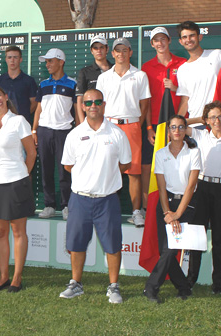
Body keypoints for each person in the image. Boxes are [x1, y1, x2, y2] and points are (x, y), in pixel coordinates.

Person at [59, 89, 132, 302]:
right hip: (80, 198)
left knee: (112, 245)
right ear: (82, 106)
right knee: (76, 244)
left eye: (97, 102)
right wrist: (87, 176)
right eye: (89, 102)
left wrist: (105, 176)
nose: (93, 105)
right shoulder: (74, 134)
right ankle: (76, 283)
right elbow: (68, 165)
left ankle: (114, 286)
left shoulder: (117, 133)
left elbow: (125, 163)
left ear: (104, 104)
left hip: (107, 199)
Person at [0, 86, 36, 293]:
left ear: (6, 97)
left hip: (16, 182)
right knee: (1, 231)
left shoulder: (19, 121)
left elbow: (31, 153)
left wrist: (23, 175)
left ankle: (16, 278)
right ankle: (3, 277)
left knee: (18, 231)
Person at [184, 101, 221, 293]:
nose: (216, 120)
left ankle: (218, 283)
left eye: (220, 116)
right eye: (212, 117)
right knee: (197, 236)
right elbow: (177, 124)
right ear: (207, 120)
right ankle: (191, 279)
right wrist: (199, 119)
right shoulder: (200, 134)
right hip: (202, 188)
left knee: (218, 238)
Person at [143, 114, 201, 303]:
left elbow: (190, 187)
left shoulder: (194, 153)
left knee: (170, 249)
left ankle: (151, 288)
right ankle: (183, 287)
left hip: (187, 204)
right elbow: (161, 186)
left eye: (181, 127)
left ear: (186, 130)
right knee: (165, 250)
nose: (177, 131)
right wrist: (169, 213)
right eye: (173, 127)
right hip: (166, 203)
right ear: (168, 131)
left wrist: (178, 214)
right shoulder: (160, 154)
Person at [96, 37, 151, 227]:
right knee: (107, 169)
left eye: (124, 50)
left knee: (134, 171)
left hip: (132, 126)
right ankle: (106, 210)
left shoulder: (140, 75)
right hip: (109, 126)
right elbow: (99, 105)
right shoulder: (104, 78)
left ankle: (136, 212)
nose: (121, 54)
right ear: (112, 53)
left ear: (130, 52)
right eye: (117, 50)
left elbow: (145, 104)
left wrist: (137, 124)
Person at [140, 27, 187, 224]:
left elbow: (189, 93)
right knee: (148, 166)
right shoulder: (146, 67)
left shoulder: (183, 64)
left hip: (177, 125)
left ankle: (178, 205)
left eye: (163, 39)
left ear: (169, 41)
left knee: (178, 165)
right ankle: (146, 207)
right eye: (156, 40)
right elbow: (146, 100)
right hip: (155, 126)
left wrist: (175, 88)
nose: (160, 43)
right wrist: (150, 128)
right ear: (152, 44)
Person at [175, 21, 221, 126]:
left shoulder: (217, 55)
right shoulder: (182, 69)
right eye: (185, 37)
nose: (188, 40)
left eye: (192, 36)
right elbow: (185, 100)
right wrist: (178, 123)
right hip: (195, 125)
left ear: (199, 37)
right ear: (181, 41)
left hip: (217, 123)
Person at [32, 48, 75, 220]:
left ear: (61, 62)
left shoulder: (72, 83)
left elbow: (77, 109)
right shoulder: (43, 84)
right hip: (44, 131)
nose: (47, 64)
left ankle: (66, 205)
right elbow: (38, 109)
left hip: (64, 132)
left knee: (65, 170)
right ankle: (49, 205)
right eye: (47, 62)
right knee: (46, 169)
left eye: (51, 61)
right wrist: (34, 130)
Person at [0, 46, 38, 124]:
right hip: (4, 123)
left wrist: (23, 115)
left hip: (23, 123)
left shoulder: (29, 80)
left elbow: (34, 102)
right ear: (6, 60)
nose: (12, 60)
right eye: (9, 57)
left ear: (20, 59)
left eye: (15, 57)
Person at [75, 35, 112, 124]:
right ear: (92, 51)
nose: (99, 51)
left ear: (107, 49)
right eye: (95, 48)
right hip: (93, 119)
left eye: (101, 47)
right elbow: (80, 99)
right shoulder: (85, 72)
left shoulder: (115, 69)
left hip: (113, 117)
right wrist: (82, 122)